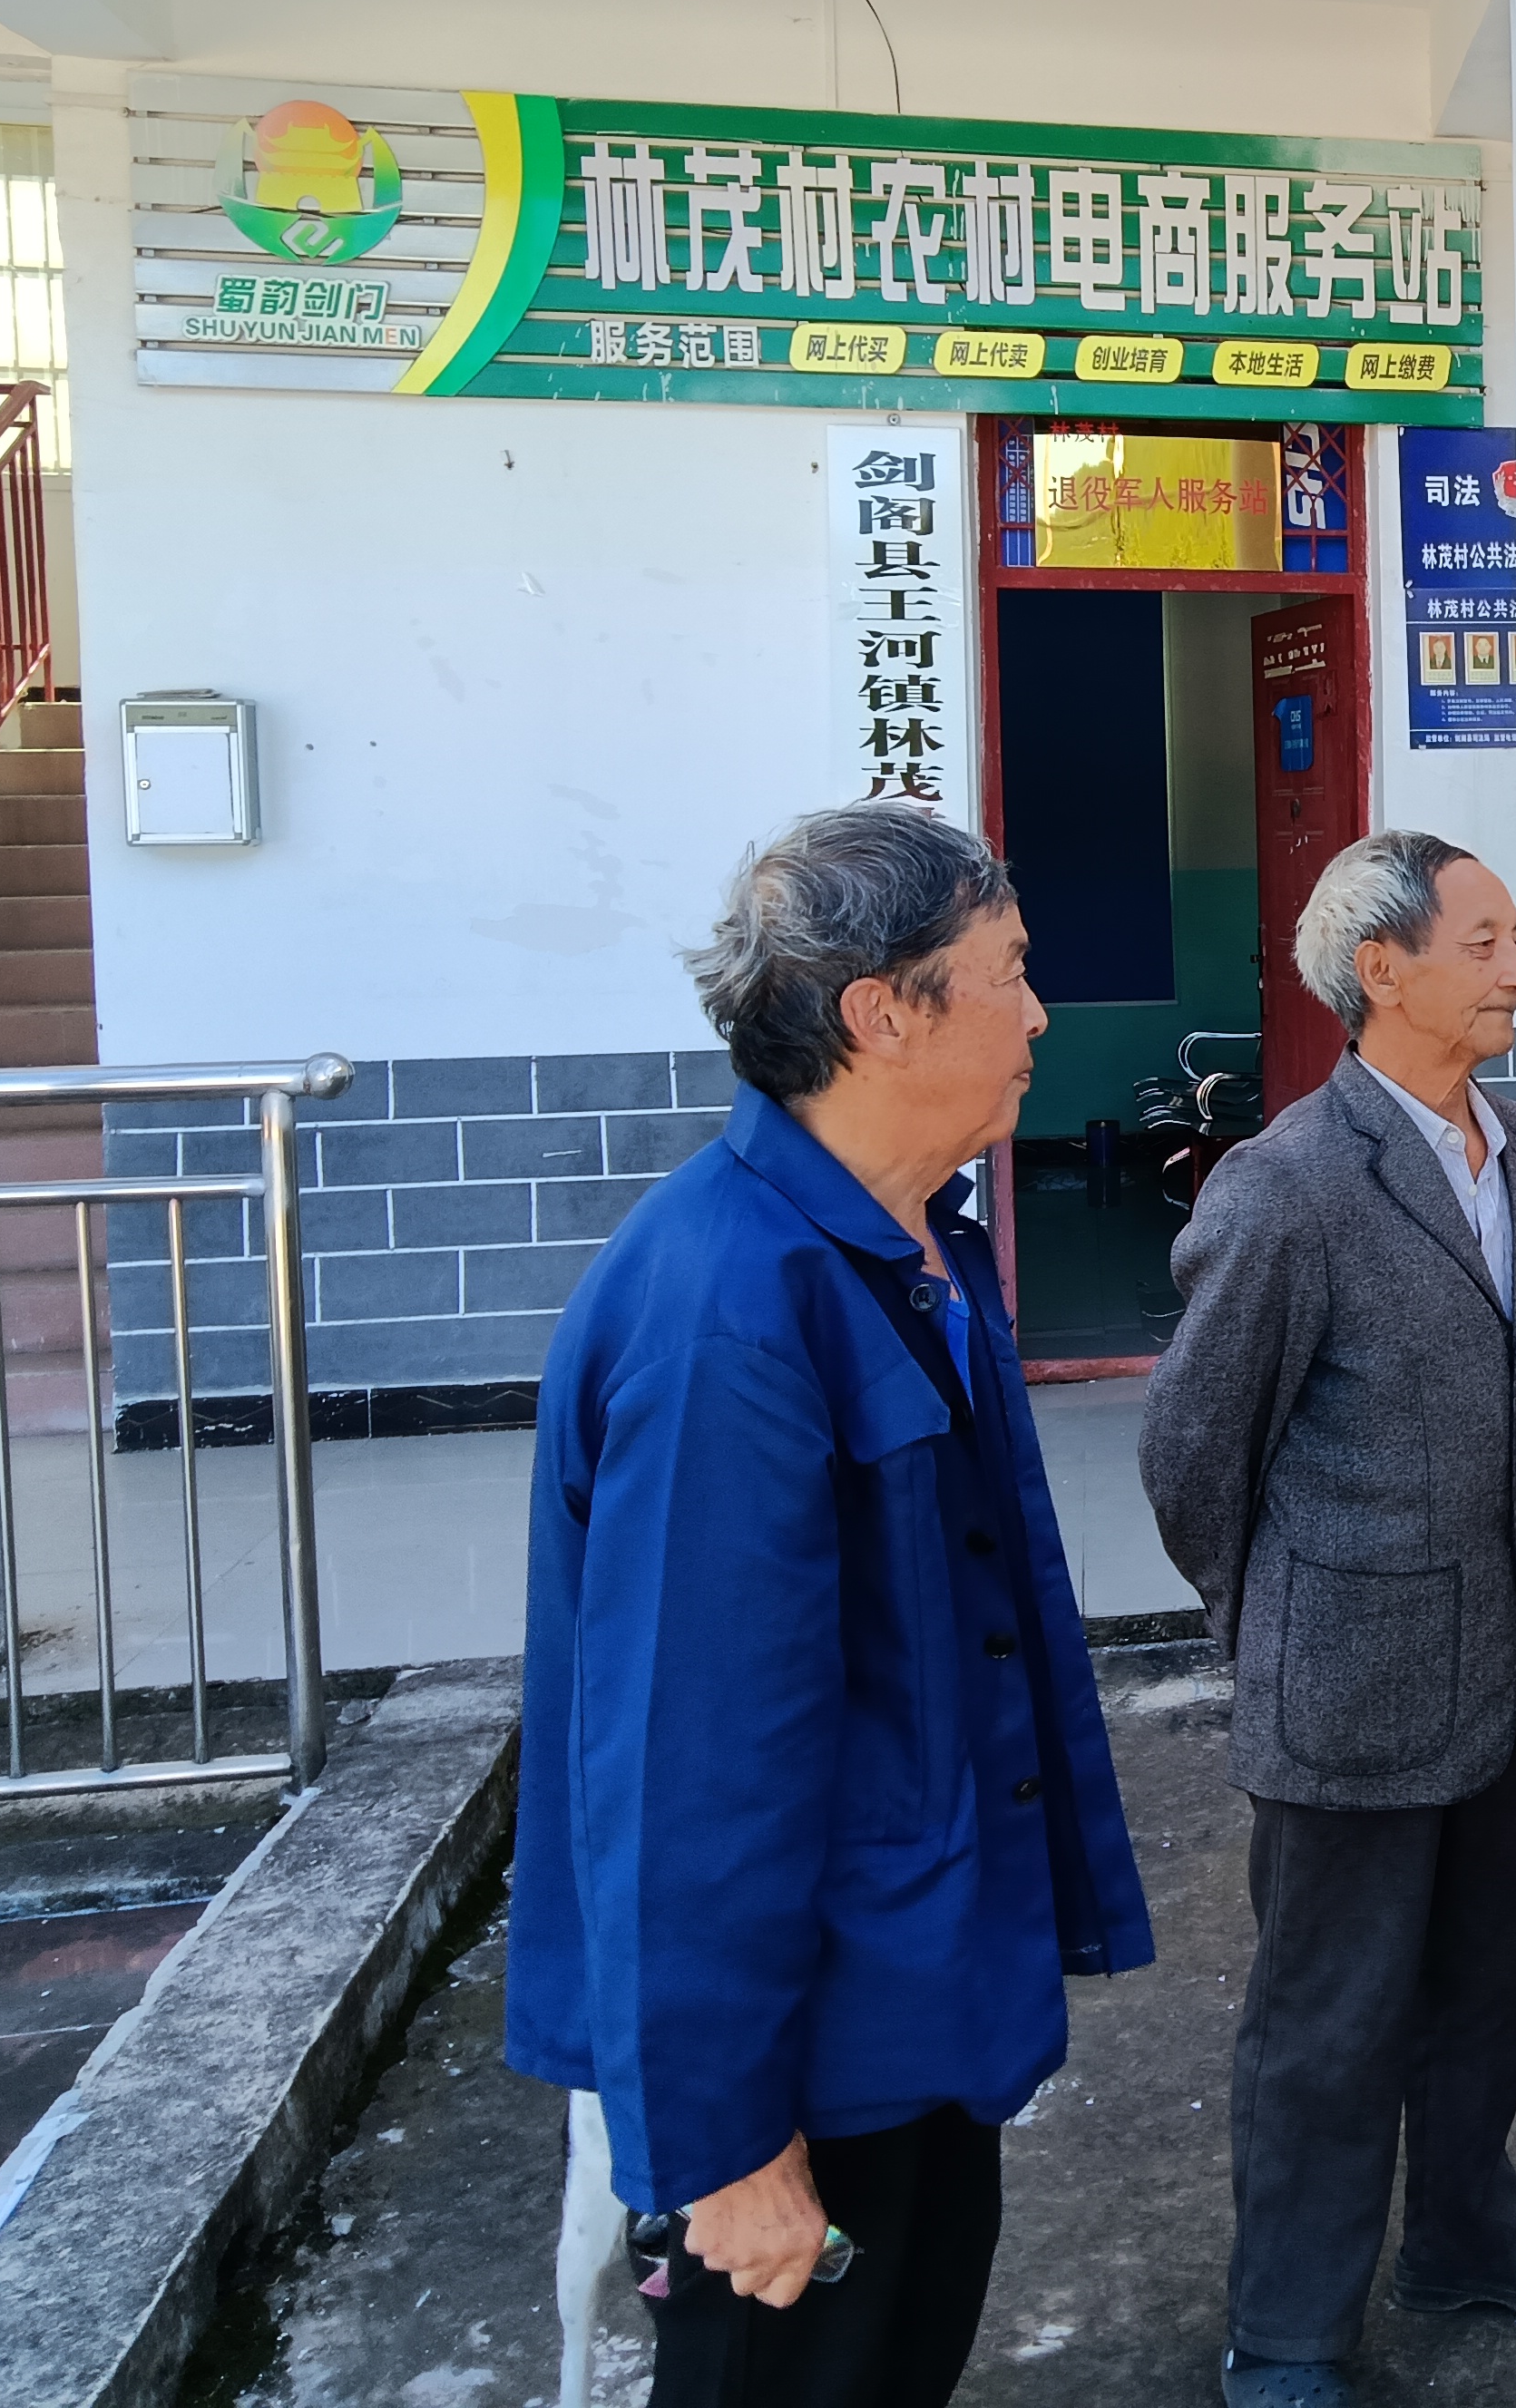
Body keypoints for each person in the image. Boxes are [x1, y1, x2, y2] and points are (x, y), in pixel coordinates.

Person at [509, 804, 1153, 2408]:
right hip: (803, 2069)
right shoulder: (732, 1311)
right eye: (1009, 974)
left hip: (909, 1996)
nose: (1040, 1015)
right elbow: (687, 1772)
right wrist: (726, 2147)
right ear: (885, 1012)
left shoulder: (904, 1248)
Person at [1139, 830, 1516, 2408]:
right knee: (1329, 2019)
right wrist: (1281, 1624)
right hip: (1348, 1685)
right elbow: (1194, 1452)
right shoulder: (1286, 1187)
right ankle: (1287, 2333)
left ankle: (1466, 2237)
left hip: (1504, 1659)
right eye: (1485, 946)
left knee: (1491, 1976)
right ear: (1382, 971)